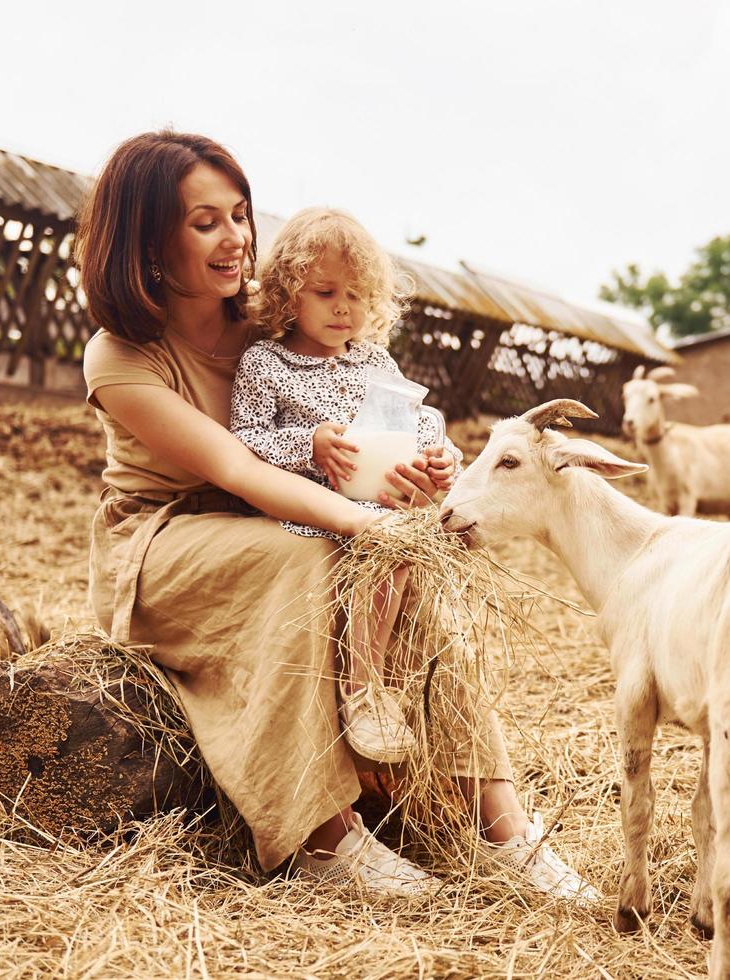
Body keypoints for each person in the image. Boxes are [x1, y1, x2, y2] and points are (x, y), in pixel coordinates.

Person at [76, 130, 599, 902]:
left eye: (241, 214)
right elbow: (237, 468)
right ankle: (323, 835)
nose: (235, 238)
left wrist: (410, 477)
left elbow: (373, 423)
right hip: (167, 540)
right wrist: (364, 523)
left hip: (289, 512)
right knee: (313, 556)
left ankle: (502, 825)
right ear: (148, 239)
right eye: (204, 221)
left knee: (401, 570)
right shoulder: (121, 356)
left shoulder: (283, 327)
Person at [229, 208, 457, 767]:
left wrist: (441, 455)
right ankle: (363, 689)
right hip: (306, 506)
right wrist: (309, 442)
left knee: (405, 543)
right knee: (386, 545)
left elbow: (418, 418)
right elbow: (246, 438)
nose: (342, 308)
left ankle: (381, 683)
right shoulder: (266, 363)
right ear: (287, 294)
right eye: (325, 291)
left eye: (356, 295)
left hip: (376, 500)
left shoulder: (374, 361)